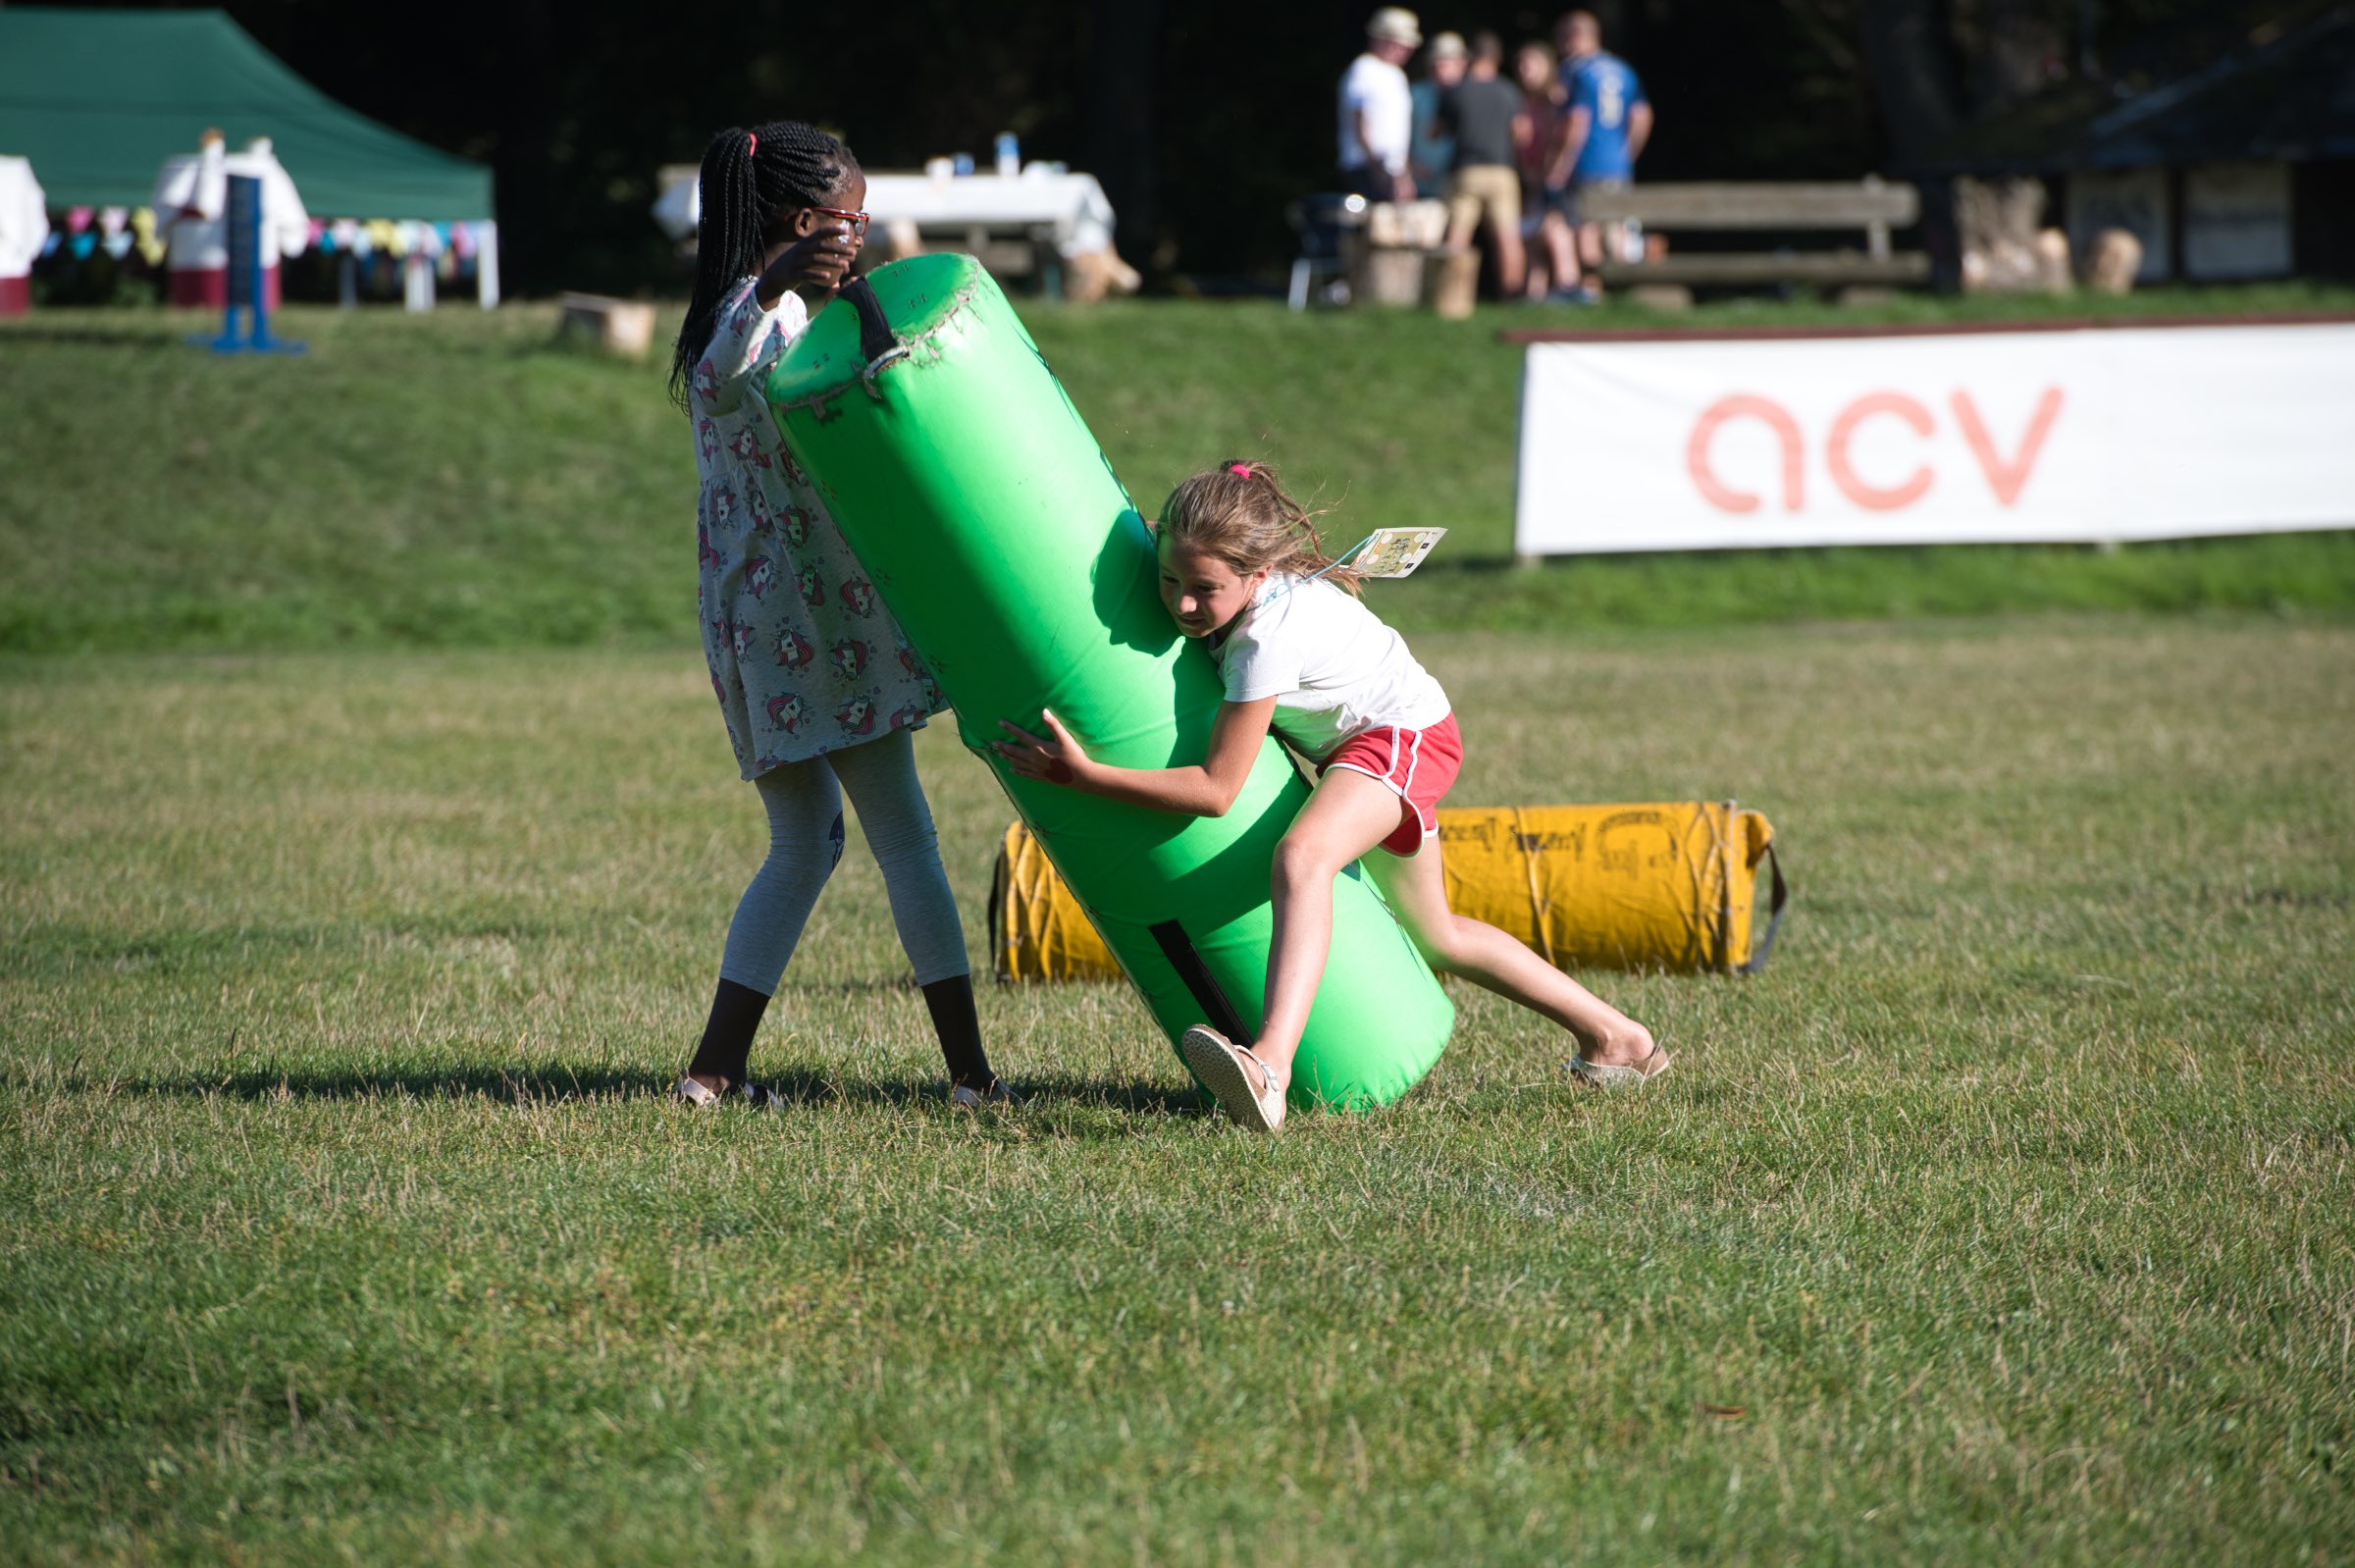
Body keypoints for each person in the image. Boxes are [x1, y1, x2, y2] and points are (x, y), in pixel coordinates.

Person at [993, 462, 1664, 1132]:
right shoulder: (1230, 594)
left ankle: (1270, 1068)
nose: (1182, 603)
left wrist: (1085, 777)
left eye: (1205, 589)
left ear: (1257, 577)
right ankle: (1619, 1040)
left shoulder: (1263, 639)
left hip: (1402, 736)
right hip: (1376, 740)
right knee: (1439, 936)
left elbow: (1218, 790)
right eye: (1169, 579)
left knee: (1301, 858)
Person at [666, 121, 1010, 1111]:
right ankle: (971, 1076)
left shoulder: (759, 311)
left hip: (755, 621)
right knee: (903, 830)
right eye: (850, 220)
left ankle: (713, 1072)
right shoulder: (749, 319)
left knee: (808, 836)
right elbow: (731, 365)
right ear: (803, 221)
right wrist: (782, 279)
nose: (861, 234)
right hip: (811, 620)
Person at [1546, 10, 1652, 295]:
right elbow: (1642, 116)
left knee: (1585, 227)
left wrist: (1561, 164)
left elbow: (1576, 121)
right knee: (1616, 226)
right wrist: (1625, 152)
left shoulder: (1575, 71)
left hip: (1586, 162)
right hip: (1617, 165)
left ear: (1573, 37)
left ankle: (1590, 290)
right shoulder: (1623, 70)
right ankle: (1623, 290)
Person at [1439, 30, 1528, 298]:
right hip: (1502, 171)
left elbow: (1436, 131)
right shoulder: (1509, 90)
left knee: (1457, 237)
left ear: (1469, 57)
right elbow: (1521, 133)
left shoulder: (1457, 90)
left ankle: (1451, 299)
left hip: (1466, 171)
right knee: (1508, 238)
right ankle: (1511, 297)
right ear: (1497, 58)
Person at [1513, 40, 1580, 299]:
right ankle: (1535, 293)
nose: (1524, 70)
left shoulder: (1558, 100)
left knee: (1555, 230)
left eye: (1530, 64)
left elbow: (1566, 137)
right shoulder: (1524, 103)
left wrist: (1554, 169)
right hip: (1532, 178)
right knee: (1531, 233)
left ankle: (1567, 285)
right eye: (1520, 64)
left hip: (1558, 179)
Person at [1338, 8, 1421, 203]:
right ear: (1380, 39)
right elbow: (1360, 121)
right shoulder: (1363, 69)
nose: (1403, 51)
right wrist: (1377, 169)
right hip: (1365, 165)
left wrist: (1403, 173)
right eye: (1398, 44)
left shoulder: (1397, 75)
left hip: (1393, 169)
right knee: (1374, 228)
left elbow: (1397, 131)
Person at [1408, 31, 1468, 201]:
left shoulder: (1471, 96)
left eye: (1446, 61)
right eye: (1436, 61)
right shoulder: (1415, 94)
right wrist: (1410, 165)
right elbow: (1399, 136)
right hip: (1419, 185)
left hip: (1459, 188)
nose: (1439, 66)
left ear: (1461, 63)